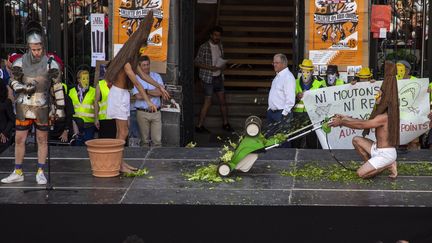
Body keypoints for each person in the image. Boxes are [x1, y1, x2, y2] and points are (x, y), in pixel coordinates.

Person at [104, 12, 169, 173]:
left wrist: (160, 87)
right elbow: (137, 83)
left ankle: (120, 163)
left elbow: (145, 76)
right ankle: (118, 164)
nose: (143, 47)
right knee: (123, 131)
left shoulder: (133, 61)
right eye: (142, 45)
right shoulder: (126, 63)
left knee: (123, 131)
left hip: (123, 96)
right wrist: (147, 101)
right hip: (118, 95)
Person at [2, 22, 65, 184]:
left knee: (42, 139)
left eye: (39, 49)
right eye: (33, 49)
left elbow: (57, 87)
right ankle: (18, 171)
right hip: (24, 104)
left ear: (43, 47)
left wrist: (60, 109)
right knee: (19, 139)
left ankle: (41, 171)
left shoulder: (51, 63)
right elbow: (12, 81)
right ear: (29, 47)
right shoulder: (20, 62)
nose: (36, 52)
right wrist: (22, 87)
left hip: (43, 105)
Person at [328, 62, 399, 179]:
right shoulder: (380, 113)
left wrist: (341, 122)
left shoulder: (384, 117)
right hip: (377, 148)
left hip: (386, 153)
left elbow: (362, 125)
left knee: (360, 174)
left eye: (379, 95)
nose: (376, 97)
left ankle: (388, 164)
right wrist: (344, 117)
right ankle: (372, 164)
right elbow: (362, 121)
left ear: (385, 99)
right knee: (356, 140)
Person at [194, 25, 233, 133]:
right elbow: (196, 62)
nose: (217, 37)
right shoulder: (204, 47)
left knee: (222, 101)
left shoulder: (220, 46)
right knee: (208, 102)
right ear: (211, 35)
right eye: (215, 35)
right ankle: (199, 126)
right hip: (208, 78)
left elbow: (221, 59)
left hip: (218, 77)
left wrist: (223, 66)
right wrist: (210, 68)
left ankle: (226, 124)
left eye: (219, 36)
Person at [292, 59, 326, 148]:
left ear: (312, 72)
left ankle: (313, 160)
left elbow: (324, 102)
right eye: (303, 71)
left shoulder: (318, 85)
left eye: (308, 72)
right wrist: (296, 98)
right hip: (297, 117)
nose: (305, 74)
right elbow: (287, 102)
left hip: (312, 118)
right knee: (296, 142)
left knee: (312, 143)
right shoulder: (294, 83)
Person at [132, 55, 164, 147]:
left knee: (157, 141)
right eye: (144, 65)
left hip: (156, 112)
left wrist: (145, 92)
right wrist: (154, 92)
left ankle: (156, 160)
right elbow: (138, 96)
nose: (146, 67)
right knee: (144, 141)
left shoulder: (156, 76)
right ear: (139, 66)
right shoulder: (136, 78)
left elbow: (160, 92)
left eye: (148, 64)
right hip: (142, 113)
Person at [69, 70, 96, 145]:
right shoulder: (71, 92)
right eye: (83, 79)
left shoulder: (94, 91)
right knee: (77, 148)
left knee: (88, 146)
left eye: (88, 78)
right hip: (76, 125)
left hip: (89, 125)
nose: (86, 81)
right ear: (78, 80)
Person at [267, 53, 296, 123]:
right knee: (271, 134)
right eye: (273, 63)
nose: (274, 65)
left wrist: (284, 114)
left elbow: (291, 99)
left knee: (282, 134)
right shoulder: (278, 76)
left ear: (284, 64)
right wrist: (269, 108)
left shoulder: (288, 77)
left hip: (281, 114)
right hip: (272, 113)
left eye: (277, 63)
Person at [0, 81, 15, 154]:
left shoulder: (6, 102)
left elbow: (12, 120)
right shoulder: (7, 102)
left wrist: (4, 133)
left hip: (3, 134)